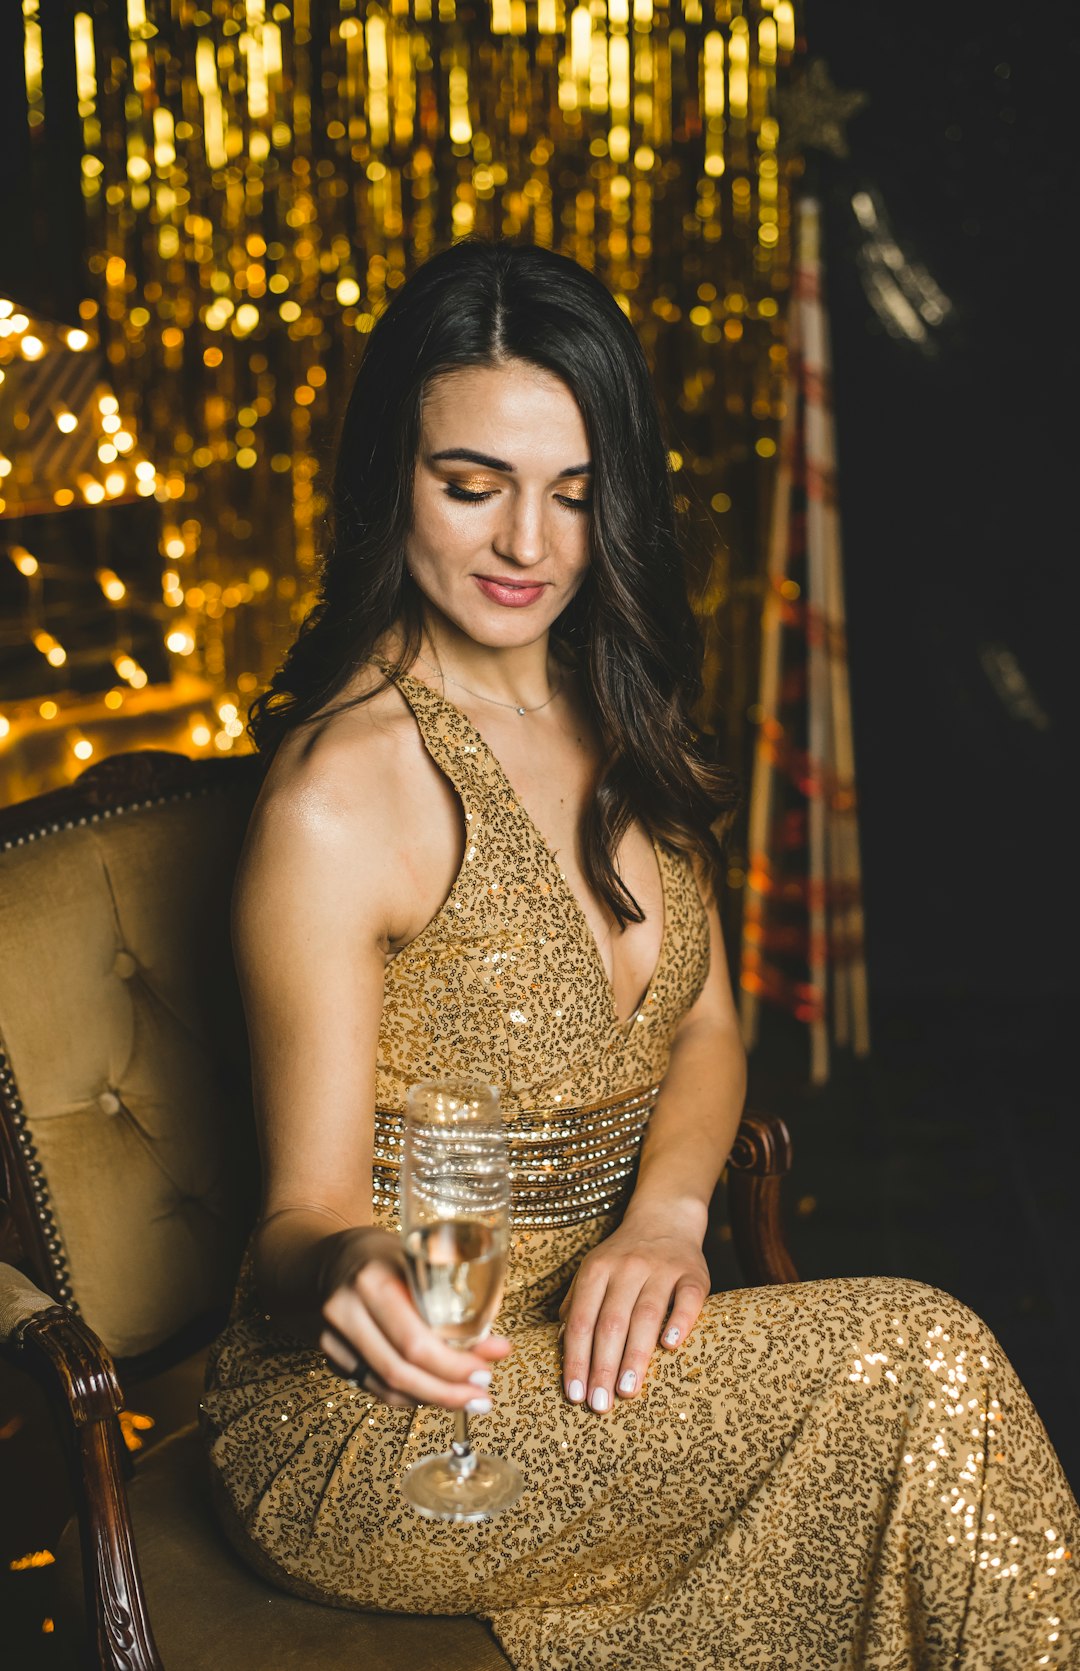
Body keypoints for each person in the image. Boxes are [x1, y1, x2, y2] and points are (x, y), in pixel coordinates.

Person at [200, 238, 1078, 1668]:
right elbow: (296, 1218)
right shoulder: (341, 799)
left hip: (605, 1358)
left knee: (910, 1435)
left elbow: (711, 1028)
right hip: (393, 1424)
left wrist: (669, 1217)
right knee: (918, 1360)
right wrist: (352, 1260)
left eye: (571, 493)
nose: (525, 546)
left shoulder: (625, 713)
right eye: (470, 485)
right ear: (387, 484)